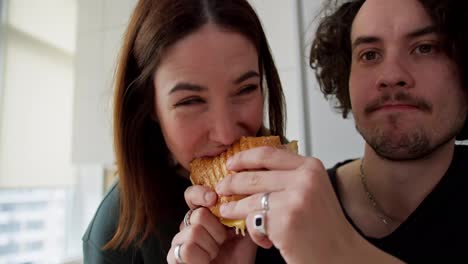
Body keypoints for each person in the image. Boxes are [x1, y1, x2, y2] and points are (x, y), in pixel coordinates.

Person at [185, 0, 468, 263]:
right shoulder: (273, 225)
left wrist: (342, 250)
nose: (391, 75)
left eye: (425, 48)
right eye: (369, 54)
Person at [82, 0, 288, 263]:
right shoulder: (113, 235)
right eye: (190, 101)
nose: (225, 135)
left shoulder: (295, 190)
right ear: (150, 105)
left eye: (246, 89)